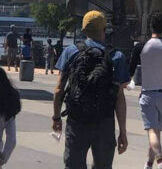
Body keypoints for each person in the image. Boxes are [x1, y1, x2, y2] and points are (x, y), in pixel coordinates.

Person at [52, 10, 129, 169]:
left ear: (84, 30)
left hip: (77, 120)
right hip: (104, 121)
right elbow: (119, 97)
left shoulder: (71, 52)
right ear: (104, 29)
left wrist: (56, 118)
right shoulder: (117, 56)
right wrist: (122, 131)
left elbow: (59, 89)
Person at [129, 14, 162, 169]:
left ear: (151, 27)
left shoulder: (141, 47)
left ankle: (160, 162)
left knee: (152, 132)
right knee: (156, 133)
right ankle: (149, 164)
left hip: (148, 94)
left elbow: (129, 71)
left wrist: (126, 84)